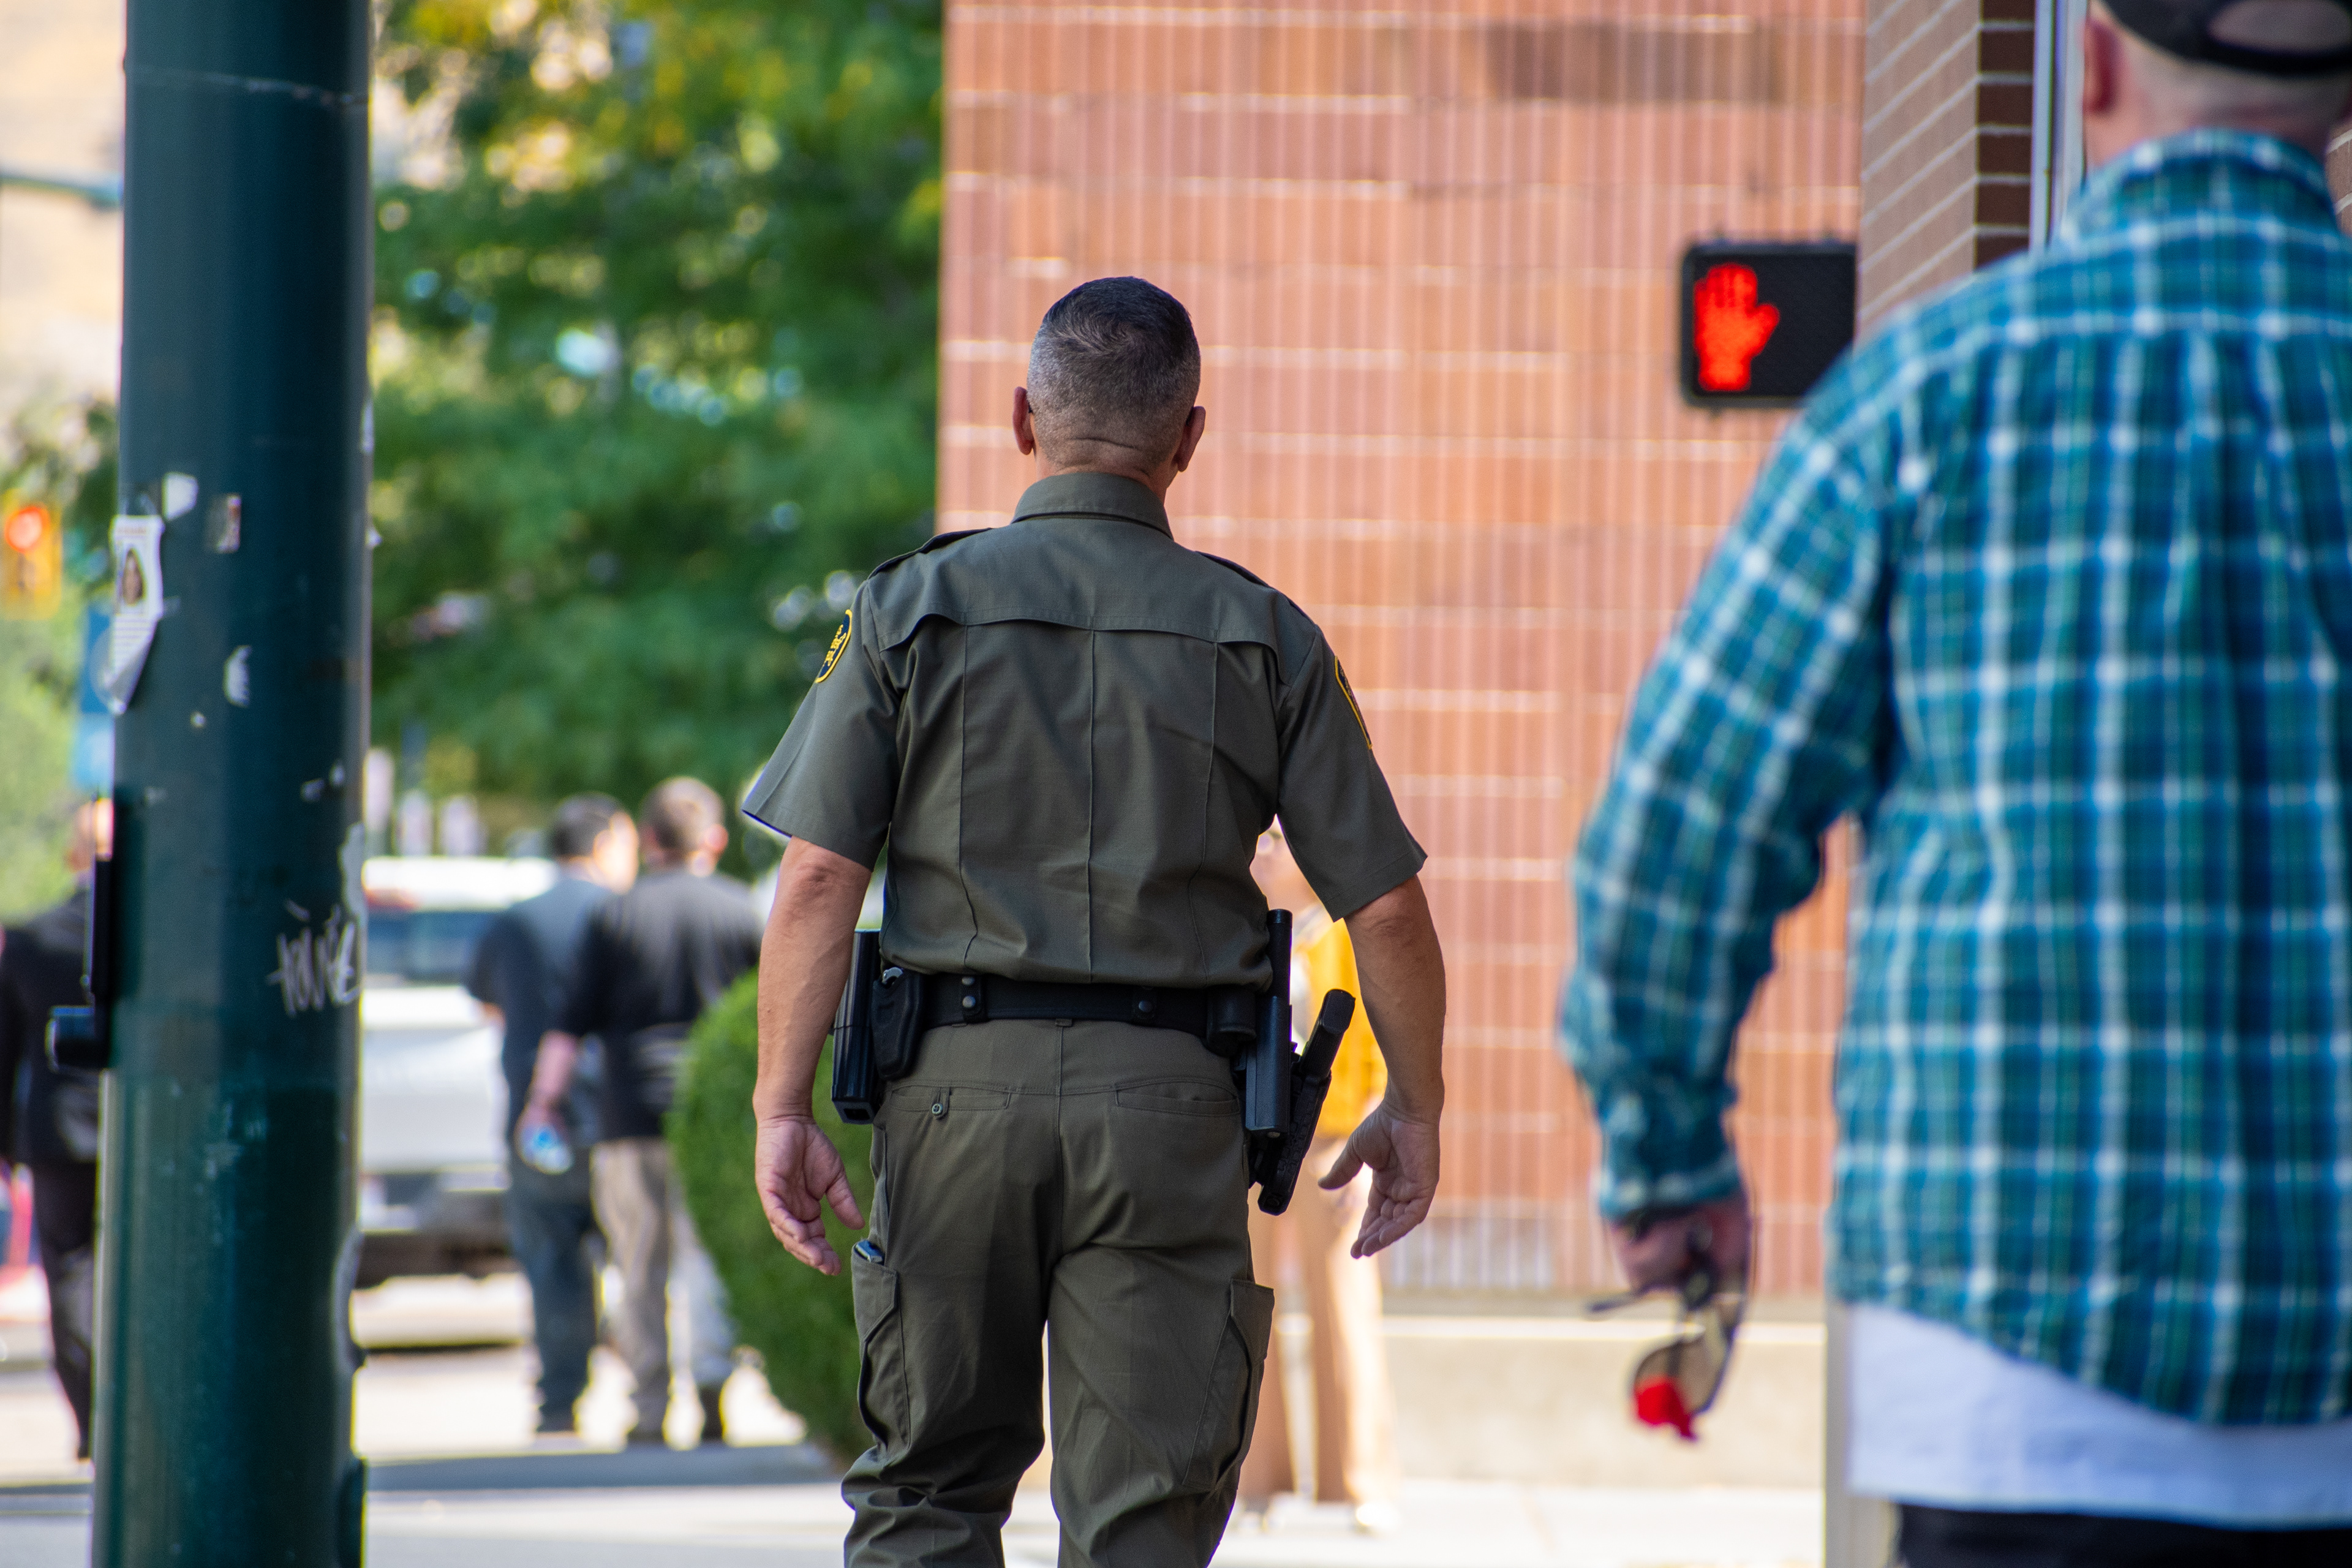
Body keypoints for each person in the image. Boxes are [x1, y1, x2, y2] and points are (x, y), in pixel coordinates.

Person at [1562, 2, 2352, 1561]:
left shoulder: (1926, 391)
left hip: (2007, 1372)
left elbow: (1682, 823)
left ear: (2099, 63)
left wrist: (1669, 1159)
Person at [741, 274, 1449, 1568]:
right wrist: (1416, 1101)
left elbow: (818, 879)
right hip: (1171, 1108)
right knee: (1144, 1520)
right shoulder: (1265, 634)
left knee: (927, 1494)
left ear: (1024, 418)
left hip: (951, 1094)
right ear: (1188, 436)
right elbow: (1386, 900)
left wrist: (779, 1104)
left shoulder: (909, 609)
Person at [521, 777, 763, 1447]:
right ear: (714, 840)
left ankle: (650, 1406)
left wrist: (541, 1105)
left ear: (649, 839)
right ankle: (713, 1386)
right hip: (716, 1123)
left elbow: (567, 1029)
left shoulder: (614, 915)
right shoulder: (743, 911)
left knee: (639, 1267)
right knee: (708, 1259)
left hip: (628, 1120)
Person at [1237, 827, 1401, 1533]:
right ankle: (1254, 1482)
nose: (1264, 849)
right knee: (1249, 1305)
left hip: (1333, 1140)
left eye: (1279, 839)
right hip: (1252, 1145)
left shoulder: (1343, 936)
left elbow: (1380, 1041)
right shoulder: (1241, 933)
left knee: (1346, 1304)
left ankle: (1362, 1480)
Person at [467, 793, 636, 1435]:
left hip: (537, 1123)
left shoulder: (513, 922)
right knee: (641, 1258)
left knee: (551, 1260)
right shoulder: (621, 912)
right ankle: (655, 1396)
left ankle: (560, 1401)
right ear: (603, 845)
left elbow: (488, 1004)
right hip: (619, 1114)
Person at [0, 801, 110, 1460]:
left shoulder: (35, 937)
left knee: (71, 1270)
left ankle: (95, 1414)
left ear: (74, 856)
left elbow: (4, 1050)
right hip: (140, 1128)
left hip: (60, 1131)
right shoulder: (158, 940)